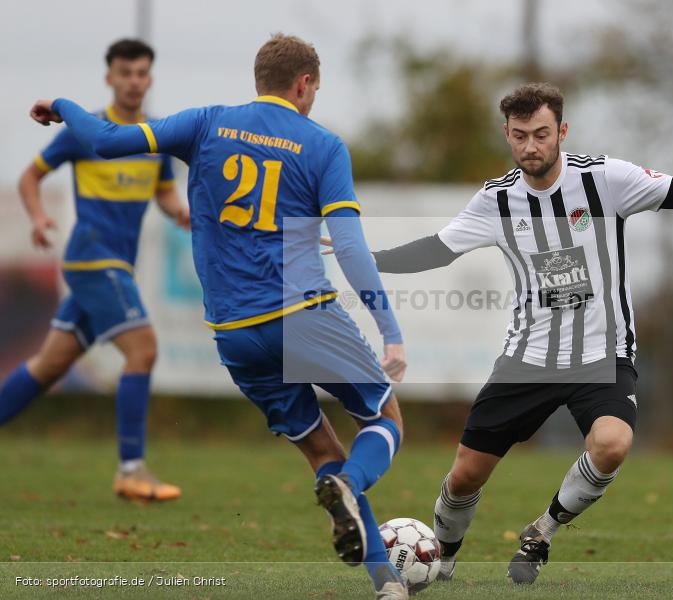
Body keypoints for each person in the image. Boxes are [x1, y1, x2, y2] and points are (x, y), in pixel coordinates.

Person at [29, 34, 410, 600]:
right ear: (303, 85)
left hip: (234, 333)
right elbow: (351, 251)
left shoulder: (206, 122)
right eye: (314, 91)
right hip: (303, 314)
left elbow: (104, 139)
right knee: (384, 418)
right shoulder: (323, 146)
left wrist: (61, 105)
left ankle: (387, 581)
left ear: (259, 78)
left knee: (322, 452)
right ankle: (352, 487)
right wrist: (391, 332)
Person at [326, 82, 673, 585]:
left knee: (612, 443)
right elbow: (439, 249)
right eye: (521, 135)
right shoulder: (497, 199)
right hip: (529, 355)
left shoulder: (605, 179)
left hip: (602, 353)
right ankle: (443, 557)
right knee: (465, 475)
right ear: (507, 134)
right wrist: (371, 260)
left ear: (562, 132)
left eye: (542, 134)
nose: (531, 146)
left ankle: (542, 531)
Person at [1, 39, 188, 502]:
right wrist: (40, 217)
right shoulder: (87, 130)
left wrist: (178, 211)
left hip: (113, 265)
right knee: (142, 350)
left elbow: (163, 192)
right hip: (92, 258)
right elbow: (30, 177)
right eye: (124, 72)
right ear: (109, 78)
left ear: (150, 78)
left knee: (48, 366)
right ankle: (131, 469)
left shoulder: (154, 137)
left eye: (141, 72)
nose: (133, 81)